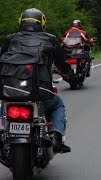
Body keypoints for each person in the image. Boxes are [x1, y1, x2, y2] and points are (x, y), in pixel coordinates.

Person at [0, 8, 71, 153]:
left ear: (21, 22)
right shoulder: (50, 39)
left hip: (10, 90)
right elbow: (61, 64)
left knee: (3, 106)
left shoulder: (10, 39)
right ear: (42, 23)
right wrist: (68, 73)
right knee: (58, 105)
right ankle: (56, 137)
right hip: (40, 92)